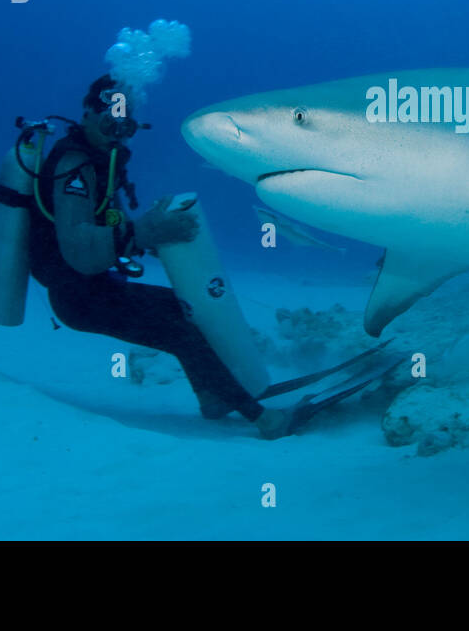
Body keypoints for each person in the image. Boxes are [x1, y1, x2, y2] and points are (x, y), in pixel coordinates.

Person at [27, 75, 300, 438]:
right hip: (76, 296)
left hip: (96, 286)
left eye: (125, 127)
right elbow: (79, 249)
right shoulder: (74, 165)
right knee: (179, 331)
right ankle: (262, 419)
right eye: (109, 122)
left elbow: (112, 223)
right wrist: (142, 232)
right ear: (88, 115)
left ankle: (214, 398)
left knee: (181, 306)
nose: (116, 134)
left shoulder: (103, 164)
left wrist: (151, 232)